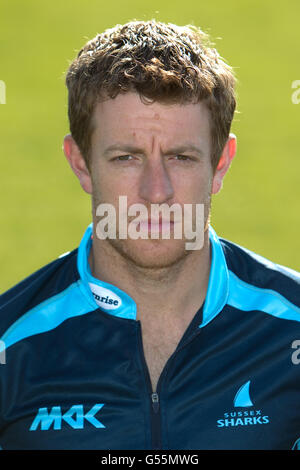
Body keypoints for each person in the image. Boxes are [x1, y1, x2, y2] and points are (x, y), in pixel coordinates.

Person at [0, 20, 299, 451]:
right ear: (81, 163)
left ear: (220, 164)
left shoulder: (292, 330)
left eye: (181, 157)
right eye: (126, 158)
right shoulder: (12, 348)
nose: (156, 191)